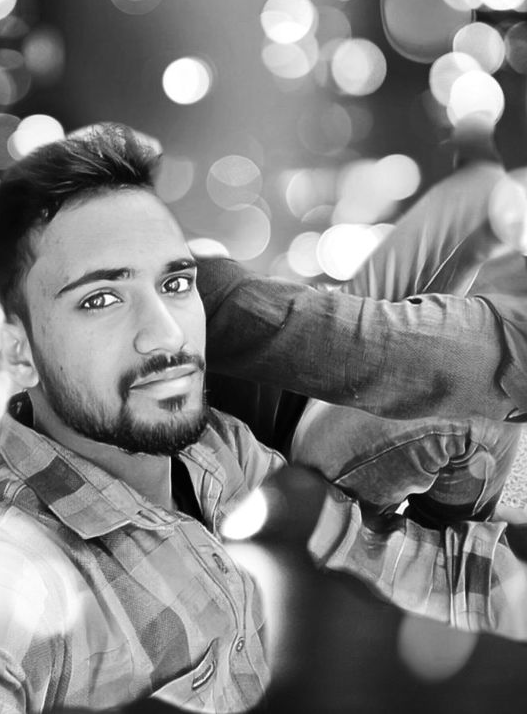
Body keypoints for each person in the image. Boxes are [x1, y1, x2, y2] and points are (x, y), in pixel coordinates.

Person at [0, 122, 527, 714]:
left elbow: (389, 555)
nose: (166, 334)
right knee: (475, 404)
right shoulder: (1, 578)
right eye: (102, 298)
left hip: (303, 474)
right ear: (21, 351)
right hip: (323, 486)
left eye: (174, 284)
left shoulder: (212, 450)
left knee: (475, 210)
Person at [202, 123, 527, 527]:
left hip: (301, 422)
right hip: (295, 427)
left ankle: (445, 531)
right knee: (487, 196)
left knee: (482, 193)